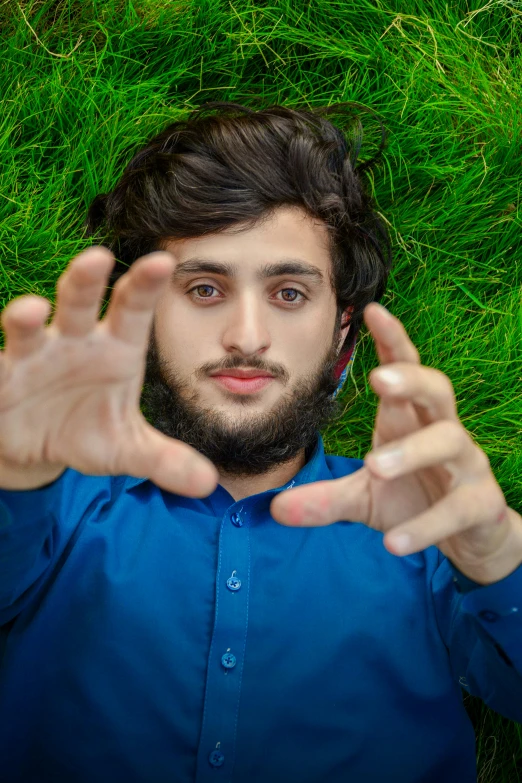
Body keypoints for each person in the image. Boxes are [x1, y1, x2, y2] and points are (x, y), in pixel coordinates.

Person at [0, 102, 520, 783]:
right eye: (206, 287)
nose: (246, 335)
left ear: (342, 330)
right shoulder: (48, 509)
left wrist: (496, 550)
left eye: (289, 292)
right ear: (146, 316)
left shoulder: (426, 530)